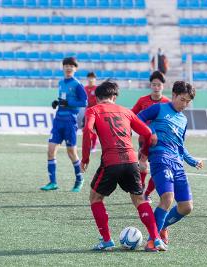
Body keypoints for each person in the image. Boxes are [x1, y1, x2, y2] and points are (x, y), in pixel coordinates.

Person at [80, 80, 167, 252]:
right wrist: (144, 155)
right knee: (139, 199)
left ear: (97, 98)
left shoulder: (93, 110)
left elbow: (87, 130)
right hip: (131, 160)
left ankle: (106, 241)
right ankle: (156, 239)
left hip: (111, 161)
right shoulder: (126, 111)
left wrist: (85, 158)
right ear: (114, 96)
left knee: (95, 198)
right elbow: (148, 133)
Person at [138, 81, 204, 245]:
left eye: (188, 101)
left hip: (178, 163)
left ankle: (162, 227)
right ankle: (153, 240)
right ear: (174, 95)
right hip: (160, 158)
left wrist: (192, 160)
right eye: (182, 99)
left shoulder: (183, 119)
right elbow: (138, 118)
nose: (185, 104)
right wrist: (151, 131)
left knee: (186, 207)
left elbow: (181, 146)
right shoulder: (159, 108)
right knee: (167, 198)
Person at [40, 57, 88, 192]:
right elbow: (64, 99)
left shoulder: (77, 84)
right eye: (66, 65)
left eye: (71, 66)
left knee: (71, 152)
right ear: (63, 68)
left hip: (70, 122)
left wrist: (69, 104)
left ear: (75, 69)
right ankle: (53, 182)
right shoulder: (61, 82)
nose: (68, 68)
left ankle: (79, 179)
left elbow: (84, 102)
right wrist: (57, 102)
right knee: (50, 151)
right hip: (58, 121)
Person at [132, 71, 170, 202]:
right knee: (142, 166)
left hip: (161, 141)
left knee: (158, 169)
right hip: (144, 139)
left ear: (163, 86)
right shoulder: (142, 100)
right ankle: (140, 189)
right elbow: (132, 115)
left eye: (159, 85)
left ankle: (147, 193)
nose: (156, 87)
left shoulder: (167, 103)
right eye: (154, 84)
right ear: (150, 85)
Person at [84, 72, 98, 152]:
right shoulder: (85, 88)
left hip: (95, 111)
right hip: (87, 111)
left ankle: (94, 146)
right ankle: (89, 145)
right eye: (89, 78)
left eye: (92, 78)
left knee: (94, 129)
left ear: (95, 79)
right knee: (88, 129)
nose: (91, 79)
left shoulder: (97, 89)